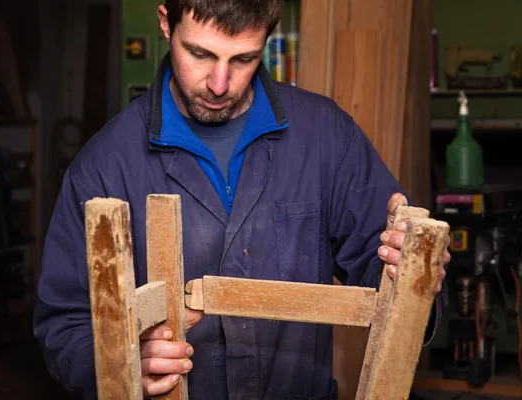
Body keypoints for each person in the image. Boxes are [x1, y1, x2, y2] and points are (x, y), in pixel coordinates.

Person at [33, 1, 449, 399]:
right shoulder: (105, 165)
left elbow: (394, 287)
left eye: (243, 59)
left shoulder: (327, 138)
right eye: (199, 53)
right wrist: (122, 364)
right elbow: (65, 326)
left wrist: (413, 277)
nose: (219, 83)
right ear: (166, 23)